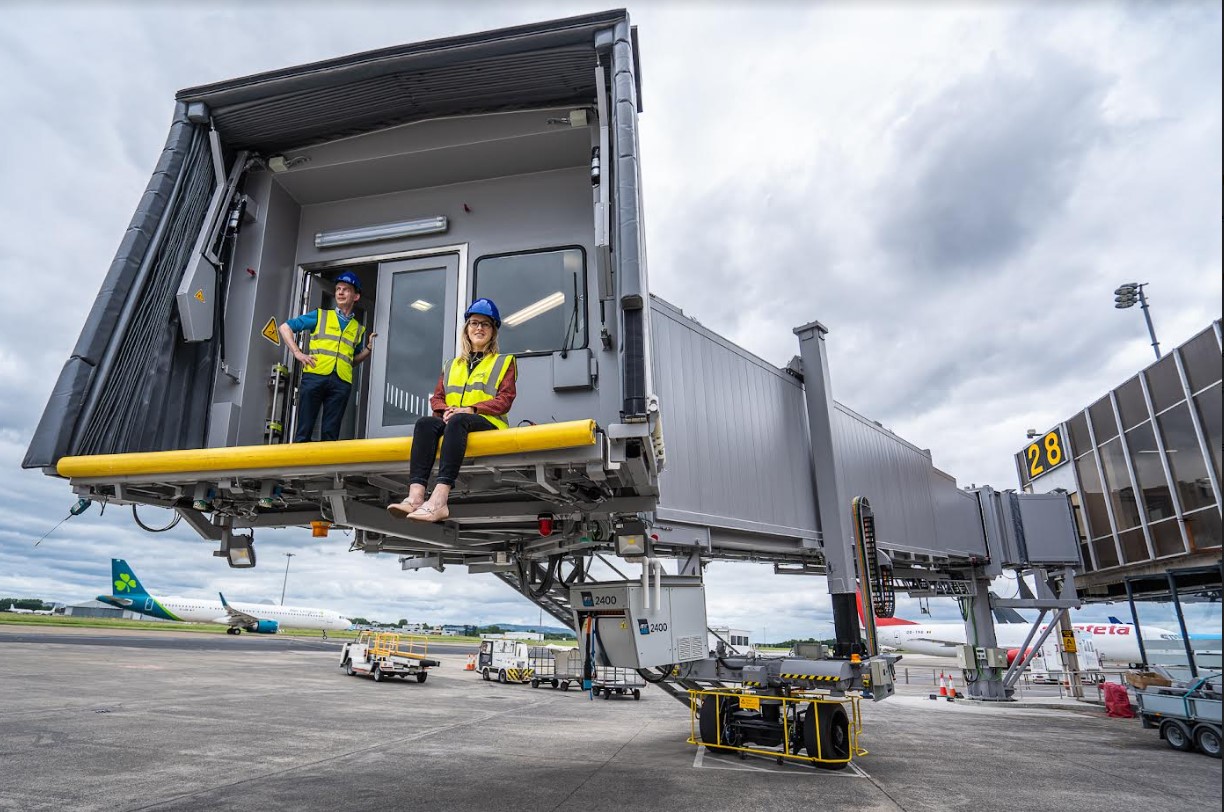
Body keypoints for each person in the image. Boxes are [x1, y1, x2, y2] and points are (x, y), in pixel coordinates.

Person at [387, 298, 516, 522]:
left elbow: (505, 400)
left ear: (493, 331)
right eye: (474, 323)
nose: (479, 328)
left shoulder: (504, 362)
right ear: (466, 329)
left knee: (459, 421)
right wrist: (446, 409)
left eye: (485, 324)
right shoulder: (451, 365)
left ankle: (439, 501)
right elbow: (437, 398)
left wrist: (470, 409)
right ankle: (415, 497)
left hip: (487, 423)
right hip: (455, 421)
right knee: (425, 424)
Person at [278, 271, 376, 443]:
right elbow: (284, 328)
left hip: (341, 382)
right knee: (304, 429)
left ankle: (326, 470)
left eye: (346, 289)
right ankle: (300, 468)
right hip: (315, 376)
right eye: (338, 289)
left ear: (356, 296)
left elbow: (350, 361)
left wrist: (368, 349)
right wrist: (297, 353)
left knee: (331, 434)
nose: (340, 292)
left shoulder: (358, 329)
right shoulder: (320, 315)